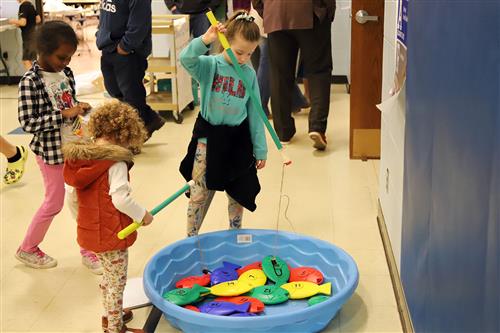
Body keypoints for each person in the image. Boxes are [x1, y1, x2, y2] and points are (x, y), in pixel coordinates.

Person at [15, 21, 101, 273]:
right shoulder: (31, 81)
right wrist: (63, 114)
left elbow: (69, 102)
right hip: (51, 153)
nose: (65, 62)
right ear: (42, 50)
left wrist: (78, 108)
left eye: (69, 57)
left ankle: (88, 250)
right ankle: (27, 248)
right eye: (61, 57)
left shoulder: (67, 73)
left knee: (82, 199)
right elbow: (28, 122)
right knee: (54, 202)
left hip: (74, 147)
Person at [63, 101, 153, 333]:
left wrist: (84, 223)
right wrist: (143, 215)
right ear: (122, 133)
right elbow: (120, 199)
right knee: (116, 283)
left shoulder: (81, 157)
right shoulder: (115, 161)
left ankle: (110, 313)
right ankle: (115, 328)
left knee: (108, 277)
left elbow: (71, 196)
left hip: (91, 230)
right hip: (112, 235)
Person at [178, 11, 267, 237]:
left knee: (237, 193)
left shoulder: (249, 73)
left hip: (237, 142)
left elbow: (255, 113)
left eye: (250, 53)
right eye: (239, 52)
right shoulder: (210, 66)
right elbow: (186, 59)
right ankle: (191, 237)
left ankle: (235, 234)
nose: (244, 58)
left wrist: (260, 149)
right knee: (199, 193)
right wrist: (205, 40)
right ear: (225, 42)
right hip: (208, 141)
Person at [252, 0, 336, 150]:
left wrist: (266, 10)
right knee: (318, 71)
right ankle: (317, 126)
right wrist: (327, 9)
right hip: (311, 10)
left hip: (276, 12)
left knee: (279, 74)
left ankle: (283, 132)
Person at [96, 0, 165, 139]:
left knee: (132, 95)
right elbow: (105, 15)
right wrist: (99, 35)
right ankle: (150, 119)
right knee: (113, 88)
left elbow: (139, 24)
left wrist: (126, 46)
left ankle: (134, 137)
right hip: (108, 45)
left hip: (128, 51)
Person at [249, 6, 309, 119]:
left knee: (277, 66)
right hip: (271, 21)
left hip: (261, 18)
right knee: (269, 65)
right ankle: (259, 107)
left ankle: (297, 101)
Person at [164, 0, 222, 106]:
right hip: (180, 12)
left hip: (202, 12)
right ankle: (172, 89)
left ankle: (203, 90)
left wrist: (211, 7)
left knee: (203, 51)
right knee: (176, 50)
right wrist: (171, 6)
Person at [9, 0, 41, 70]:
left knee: (26, 61)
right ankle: (36, 77)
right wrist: (29, 23)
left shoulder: (23, 6)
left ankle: (32, 79)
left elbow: (23, 22)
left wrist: (12, 21)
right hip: (33, 35)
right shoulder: (30, 5)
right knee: (32, 60)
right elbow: (38, 19)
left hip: (28, 36)